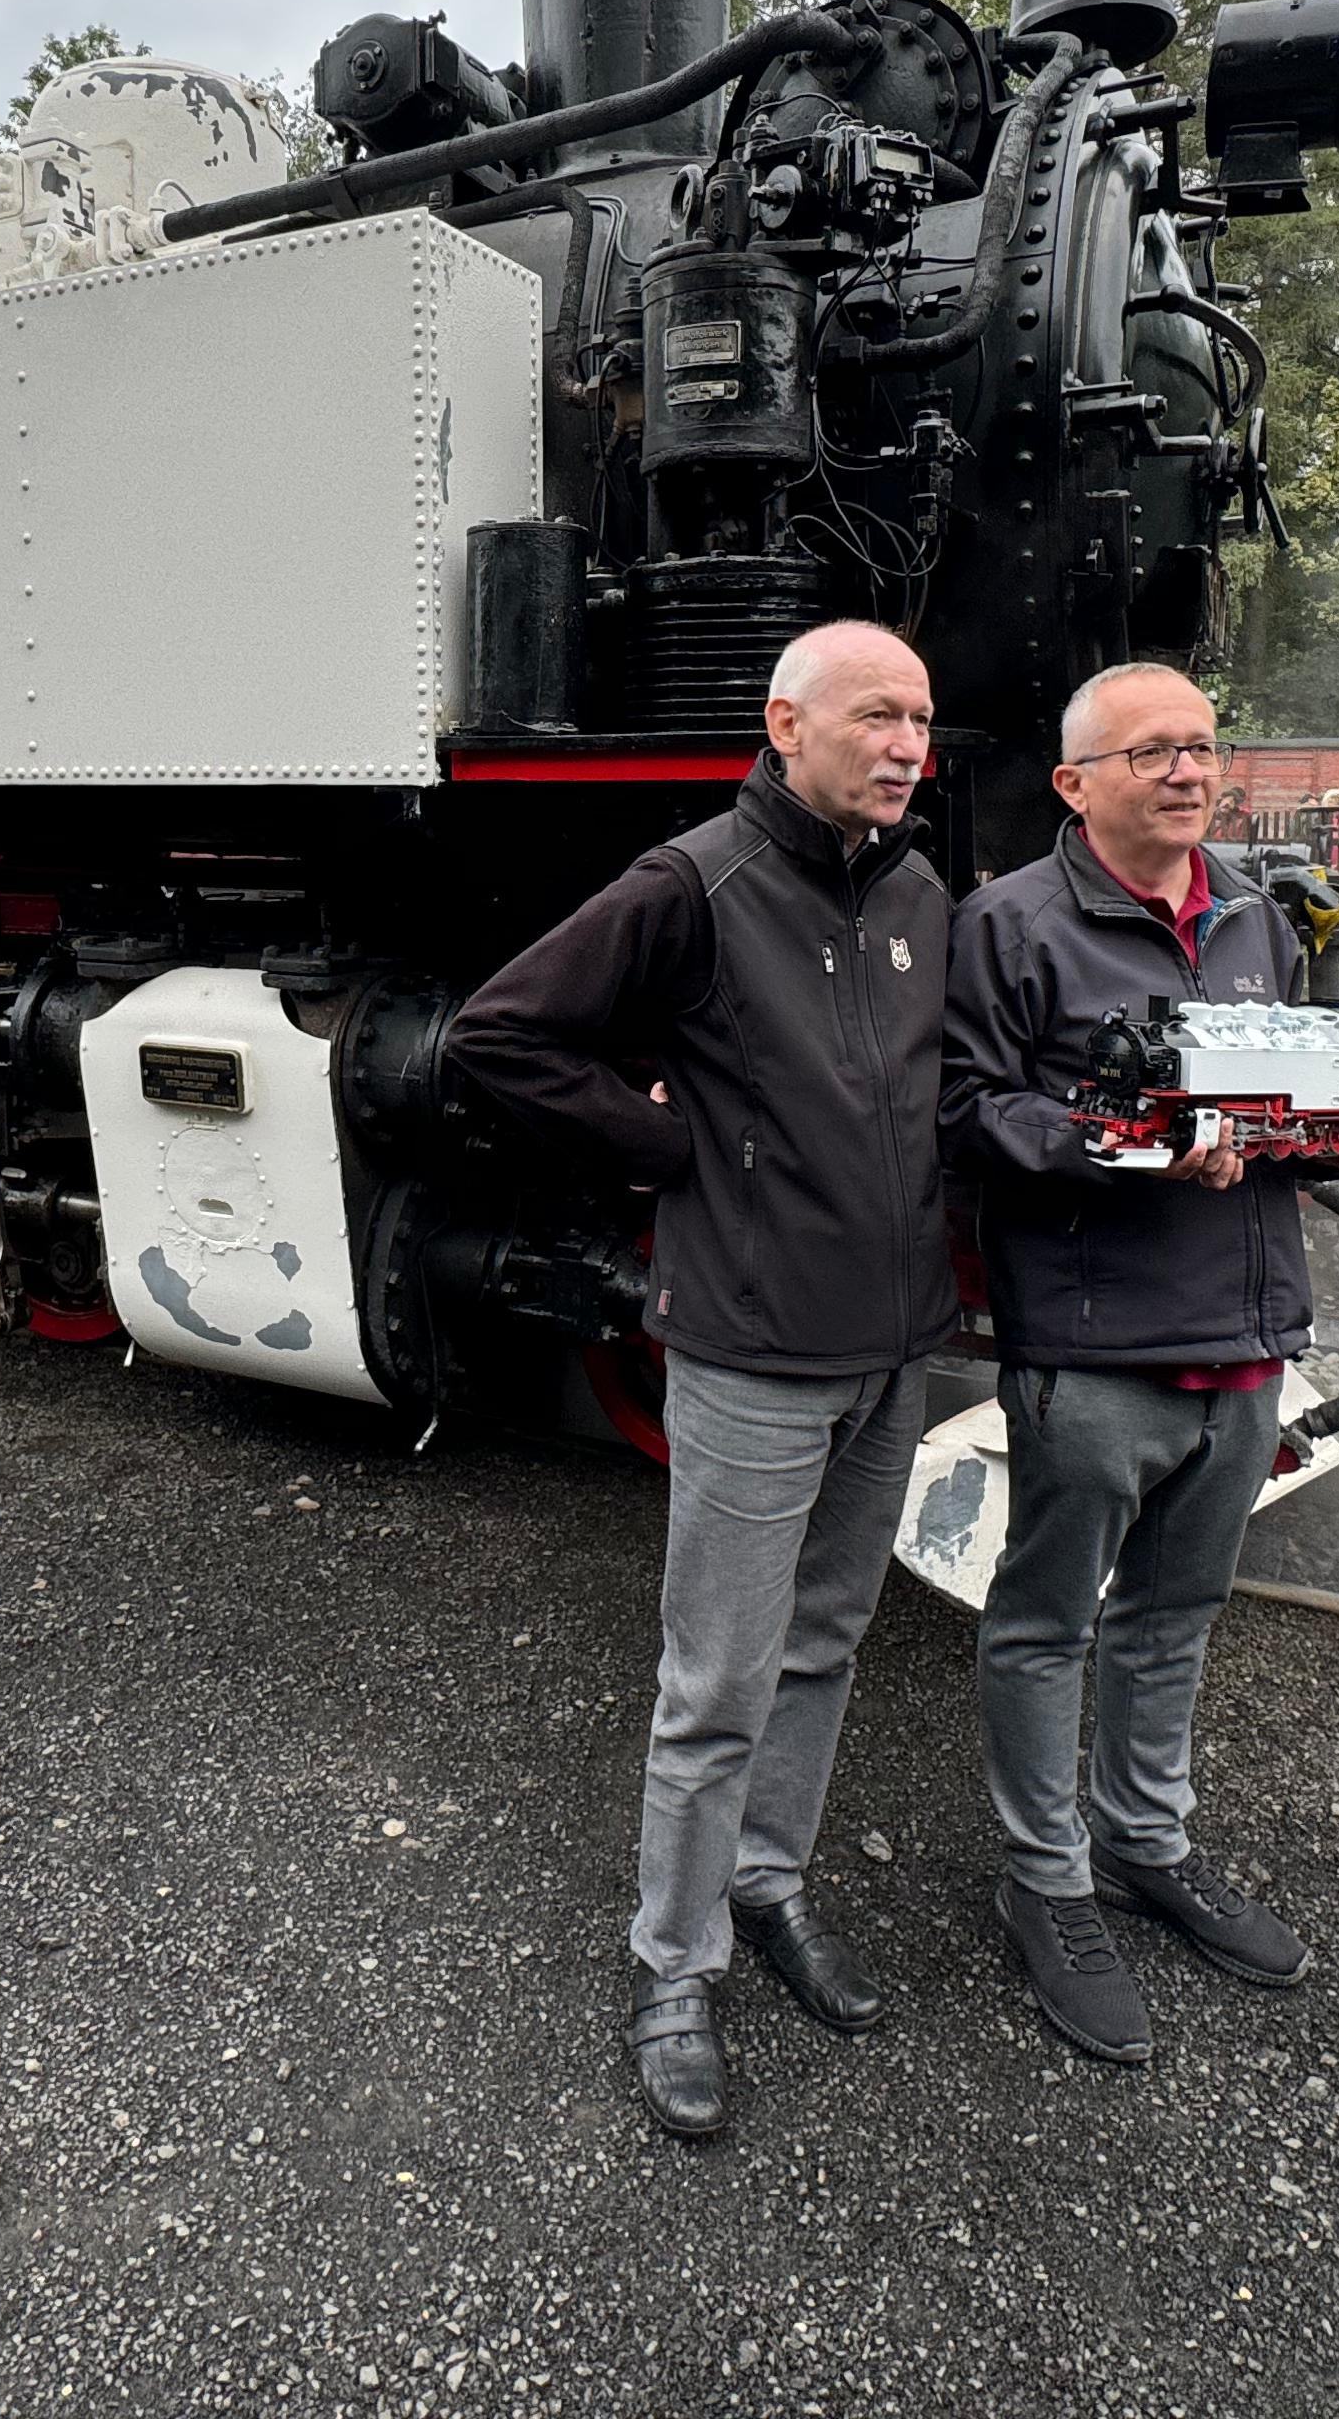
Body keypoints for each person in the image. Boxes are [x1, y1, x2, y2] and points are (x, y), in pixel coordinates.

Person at [446, 621, 954, 2140]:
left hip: (892, 1344)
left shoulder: (921, 890)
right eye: (877, 715)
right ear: (785, 722)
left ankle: (768, 1888)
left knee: (827, 1640)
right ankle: (675, 1965)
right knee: (717, 1675)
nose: (906, 743)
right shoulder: (694, 884)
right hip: (749, 1348)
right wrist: (672, 1148)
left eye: (922, 719)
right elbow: (498, 1036)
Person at [941, 660, 1339, 2063]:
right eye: (1150, 754)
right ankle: (1046, 1881)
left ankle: (1143, 1843)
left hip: (1248, 1334)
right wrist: (1119, 1143)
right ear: (1076, 784)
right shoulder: (1008, 927)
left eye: (1201, 747)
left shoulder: (1251, 913)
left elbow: (1290, 1085)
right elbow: (969, 1113)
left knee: (1175, 1617)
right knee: (1046, 1621)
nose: (1189, 772)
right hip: (1096, 1342)